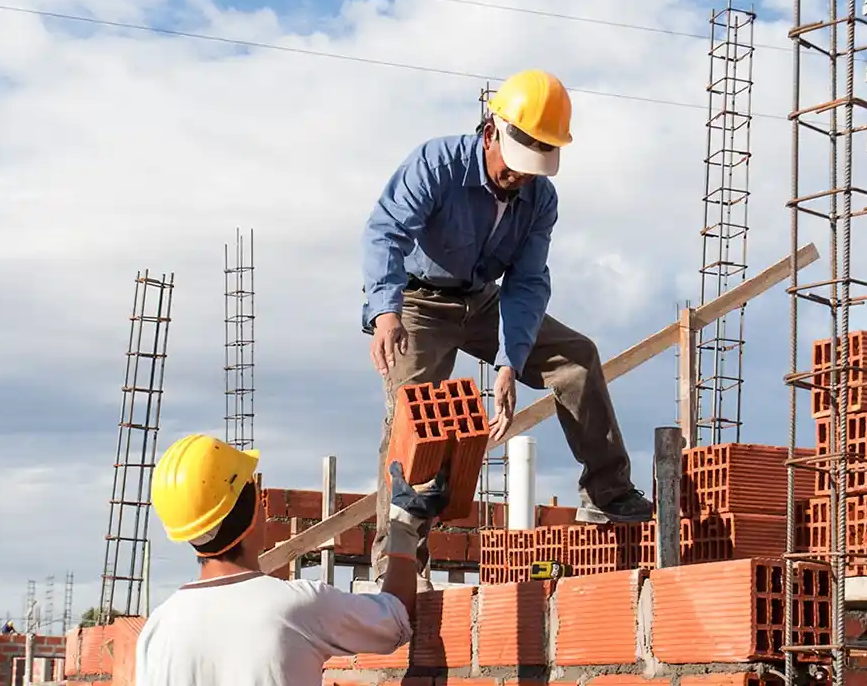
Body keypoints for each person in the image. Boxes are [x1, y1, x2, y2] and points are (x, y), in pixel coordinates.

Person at [360, 68, 654, 584]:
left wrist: (507, 362)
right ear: (491, 132)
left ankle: (607, 493)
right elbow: (385, 232)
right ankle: (398, 561)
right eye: (518, 162)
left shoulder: (540, 199)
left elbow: (527, 283)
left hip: (484, 300)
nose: (521, 176)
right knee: (416, 419)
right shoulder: (437, 164)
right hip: (419, 304)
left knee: (576, 358)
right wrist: (386, 311)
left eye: (536, 165)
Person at [134, 433, 451, 686]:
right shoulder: (295, 607)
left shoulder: (157, 629)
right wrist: (404, 528)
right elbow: (394, 619)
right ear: (255, 510)